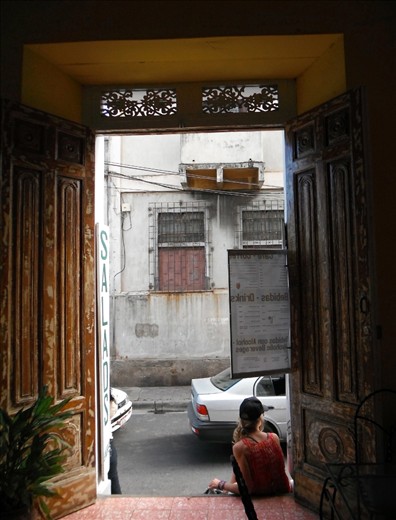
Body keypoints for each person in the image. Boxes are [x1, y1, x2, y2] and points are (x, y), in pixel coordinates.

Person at [208, 396, 292, 496]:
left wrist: (220, 484)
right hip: (283, 490)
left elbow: (247, 488)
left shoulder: (241, 447)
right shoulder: (274, 438)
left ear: (241, 421)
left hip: (262, 496)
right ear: (261, 418)